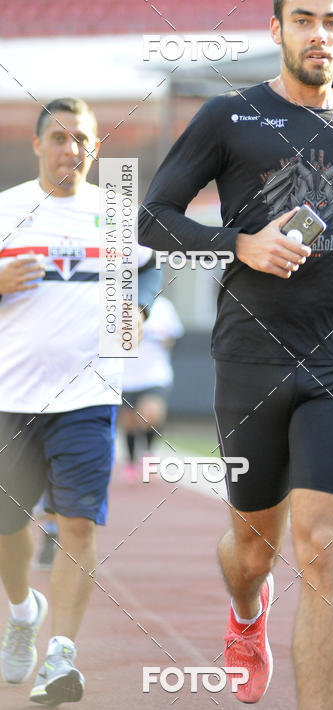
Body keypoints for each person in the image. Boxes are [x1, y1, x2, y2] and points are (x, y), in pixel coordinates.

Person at [138, 0, 333, 709]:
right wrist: (239, 243)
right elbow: (153, 217)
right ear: (277, 27)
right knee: (253, 550)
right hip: (249, 361)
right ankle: (245, 614)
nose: (318, 34)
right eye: (303, 19)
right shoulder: (227, 116)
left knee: (324, 547)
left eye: (332, 21)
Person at [0, 97, 160, 705]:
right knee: (9, 527)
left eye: (84, 141)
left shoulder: (116, 214)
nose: (73, 150)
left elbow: (151, 268)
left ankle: (60, 656)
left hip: (89, 396)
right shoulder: (8, 209)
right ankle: (22, 612)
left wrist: (139, 308)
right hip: (10, 398)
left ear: (96, 149)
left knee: (77, 523)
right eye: (60, 139)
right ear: (38, 146)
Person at [120, 294, 184, 481]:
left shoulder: (164, 306)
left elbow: (173, 338)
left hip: (154, 374)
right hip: (126, 375)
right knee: (129, 421)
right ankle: (131, 462)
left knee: (151, 413)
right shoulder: (116, 303)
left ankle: (148, 453)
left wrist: (160, 337)